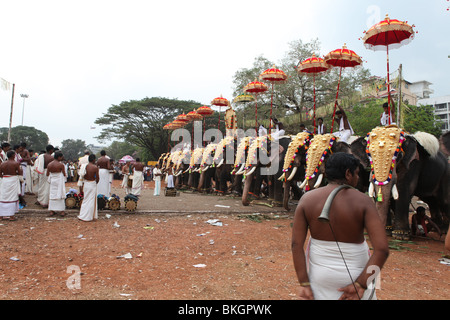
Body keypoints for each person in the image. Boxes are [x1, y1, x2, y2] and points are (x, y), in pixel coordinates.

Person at [291, 152, 389, 300]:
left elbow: (295, 245)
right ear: (348, 174)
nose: (357, 178)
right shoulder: (364, 202)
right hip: (358, 274)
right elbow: (382, 250)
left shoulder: (307, 199)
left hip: (320, 276)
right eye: (356, 173)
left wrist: (304, 283)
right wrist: (361, 285)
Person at [0, 150, 22, 221]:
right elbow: (19, 172)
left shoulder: (2, 164)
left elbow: (0, 173)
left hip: (5, 180)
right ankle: (11, 216)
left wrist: (4, 177)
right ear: (13, 156)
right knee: (12, 197)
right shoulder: (16, 163)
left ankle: (1, 215)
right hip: (13, 180)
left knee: (3, 197)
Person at [78, 154, 99, 222]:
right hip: (92, 183)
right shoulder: (95, 167)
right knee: (91, 200)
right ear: (93, 160)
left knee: (85, 199)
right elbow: (98, 179)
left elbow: (82, 175)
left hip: (86, 184)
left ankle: (82, 215)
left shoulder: (84, 166)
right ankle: (88, 216)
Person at [46, 151, 66, 217]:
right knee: (60, 194)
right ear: (59, 157)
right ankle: (62, 211)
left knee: (52, 194)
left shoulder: (49, 165)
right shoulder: (61, 165)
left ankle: (52, 211)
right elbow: (64, 174)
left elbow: (47, 174)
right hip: (59, 180)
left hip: (52, 180)